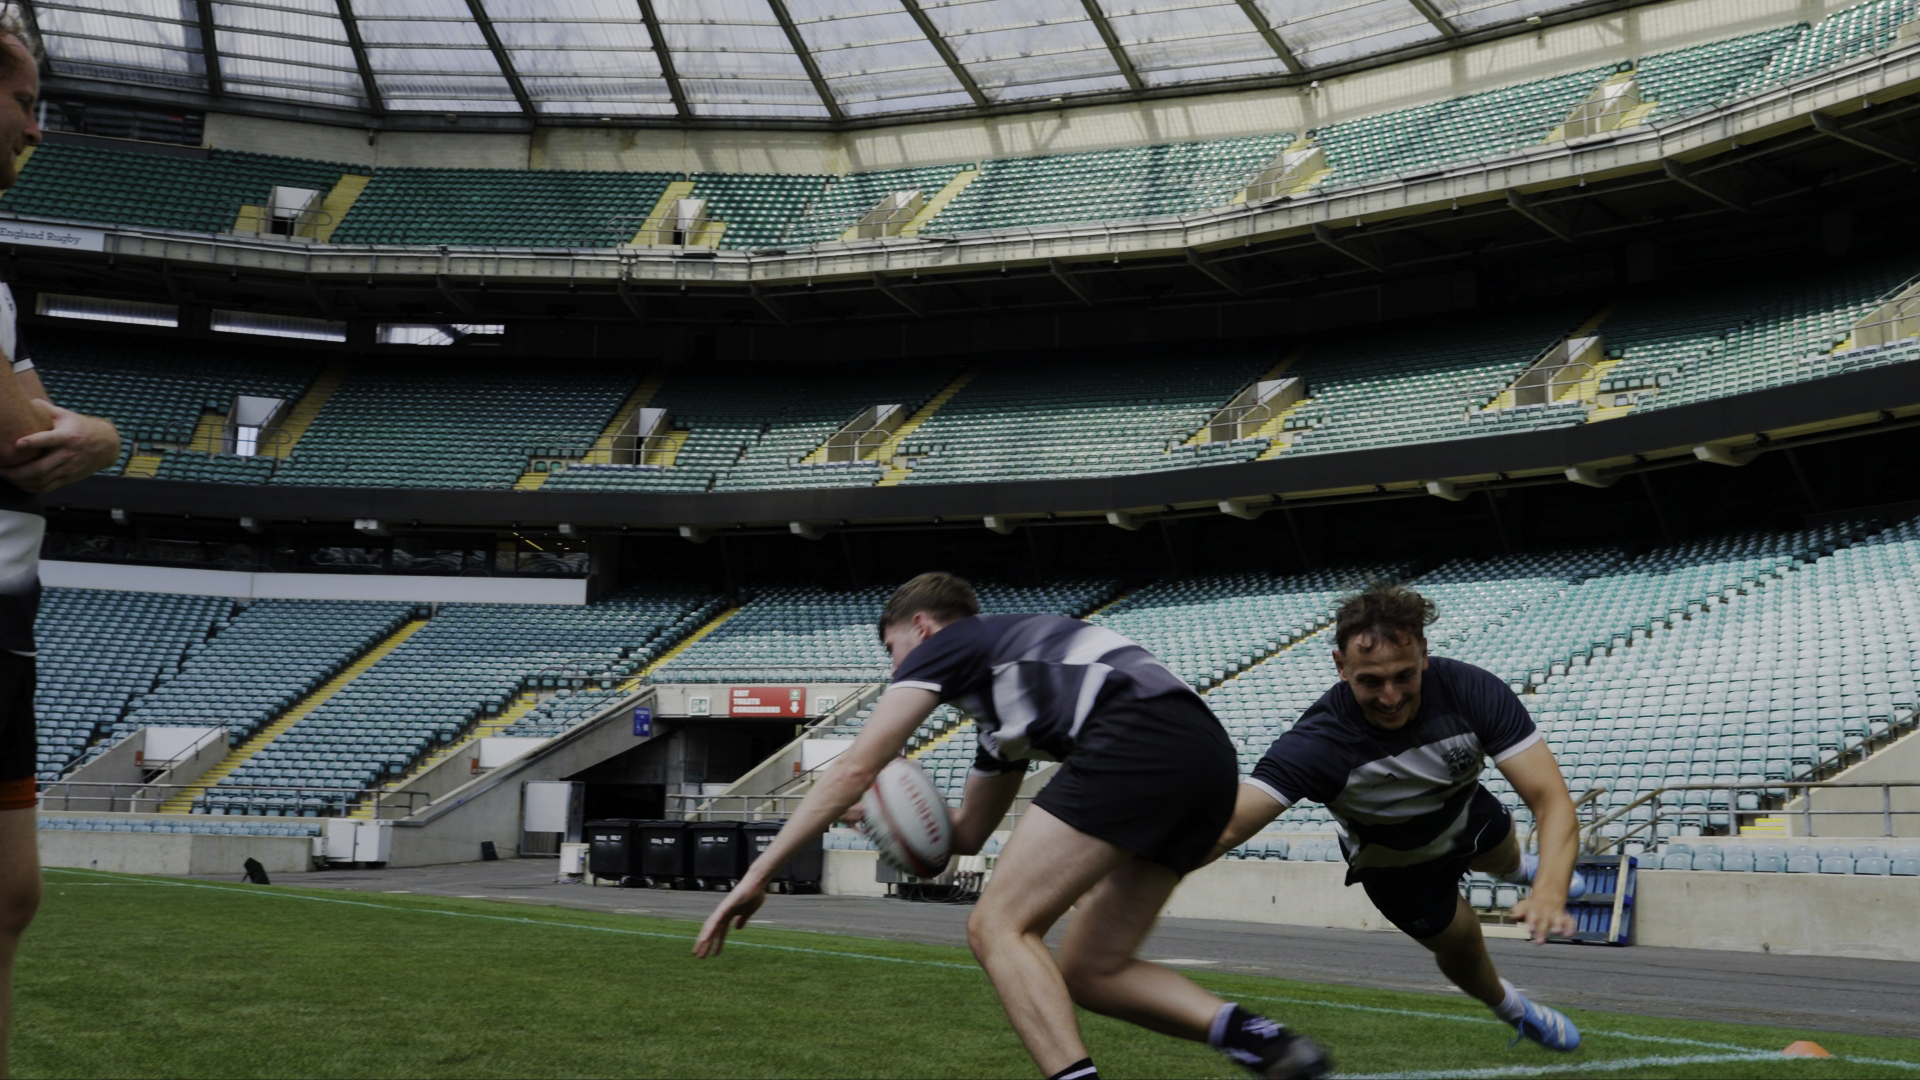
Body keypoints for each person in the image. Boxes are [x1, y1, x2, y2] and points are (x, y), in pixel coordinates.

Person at [696, 572, 1330, 1080]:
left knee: (996, 924)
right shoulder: (1005, 706)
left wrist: (758, 875)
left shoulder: (950, 644)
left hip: (1136, 736)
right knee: (1092, 970)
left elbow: (854, 766)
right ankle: (1264, 1042)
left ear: (920, 627)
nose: (896, 671)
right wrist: (877, 818)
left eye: (893, 652)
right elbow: (964, 837)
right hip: (1205, 759)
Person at [1209, 583, 1585, 1052]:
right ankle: (1516, 1010)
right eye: (1371, 681)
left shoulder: (1472, 691)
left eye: (1403, 676)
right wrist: (1128, 866)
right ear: (1341, 667)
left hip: (1464, 812)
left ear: (1424, 654)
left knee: (1502, 849)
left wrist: (1549, 893)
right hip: (1393, 864)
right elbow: (1225, 828)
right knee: (1462, 946)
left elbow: (1551, 800)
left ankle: (1522, 870)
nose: (1390, 697)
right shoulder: (1317, 744)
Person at [0, 12, 124, 1075]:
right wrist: (88, 435)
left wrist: (106, 434)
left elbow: (49, 435)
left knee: (10, 898)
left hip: (7, 623)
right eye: (20, 99)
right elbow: (28, 436)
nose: (34, 132)